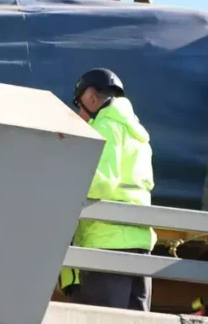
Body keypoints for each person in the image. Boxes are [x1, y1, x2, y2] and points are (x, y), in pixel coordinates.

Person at [66, 68, 156, 312]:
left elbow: (102, 181)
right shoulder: (137, 133)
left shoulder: (105, 125)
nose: (79, 113)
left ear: (91, 98)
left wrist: (65, 187)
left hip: (106, 243)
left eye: (79, 105)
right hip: (139, 242)